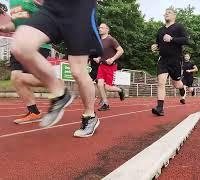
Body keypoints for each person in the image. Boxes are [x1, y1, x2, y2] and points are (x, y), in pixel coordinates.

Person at [10, 0, 102, 138]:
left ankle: (90, 116)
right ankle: (59, 93)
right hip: (51, 7)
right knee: (21, 45)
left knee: (78, 71)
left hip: (80, 10)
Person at [0, 0, 53, 124]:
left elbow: (50, 15)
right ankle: (34, 111)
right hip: (19, 42)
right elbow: (15, 23)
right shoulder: (13, 2)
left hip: (38, 43)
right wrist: (3, 27)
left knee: (26, 77)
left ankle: (55, 84)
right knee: (16, 77)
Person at [151, 7, 189, 116]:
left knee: (176, 84)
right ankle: (160, 108)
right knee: (160, 82)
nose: (167, 14)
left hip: (175, 60)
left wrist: (172, 39)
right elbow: (159, 44)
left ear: (174, 16)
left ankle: (182, 89)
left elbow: (186, 40)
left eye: (169, 13)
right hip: (163, 60)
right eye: (165, 13)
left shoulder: (179, 27)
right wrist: (155, 47)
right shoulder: (160, 30)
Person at [96, 23, 125, 111]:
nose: (99, 29)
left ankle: (120, 90)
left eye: (102, 27)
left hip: (111, 67)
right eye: (99, 27)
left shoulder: (111, 39)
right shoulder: (99, 40)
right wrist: (98, 58)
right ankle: (105, 103)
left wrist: (112, 59)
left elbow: (121, 51)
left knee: (107, 87)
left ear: (107, 29)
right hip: (102, 66)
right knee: (100, 84)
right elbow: (103, 54)